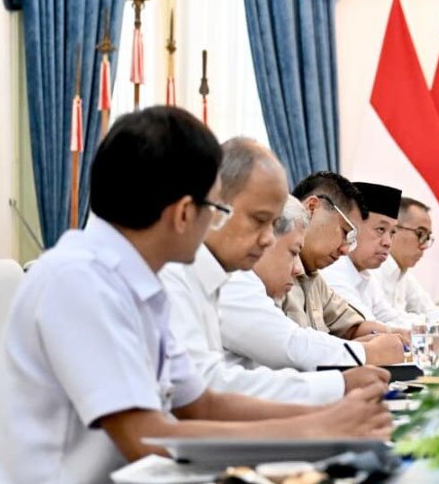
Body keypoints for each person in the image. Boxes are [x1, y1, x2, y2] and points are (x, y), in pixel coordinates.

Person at [0, 107, 391, 484]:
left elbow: (201, 404)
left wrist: (332, 415)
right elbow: (147, 439)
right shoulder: (78, 280)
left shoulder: (138, 280)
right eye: (217, 208)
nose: (218, 221)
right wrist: (313, 429)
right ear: (184, 213)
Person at [159, 139, 387, 404]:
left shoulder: (217, 273)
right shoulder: (201, 274)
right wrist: (341, 383)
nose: (268, 239)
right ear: (211, 205)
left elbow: (228, 381)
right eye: (259, 220)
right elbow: (203, 397)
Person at [219, 172, 403, 370]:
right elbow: (289, 346)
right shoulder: (232, 278)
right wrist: (366, 352)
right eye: (345, 233)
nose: (345, 249)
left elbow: (348, 328)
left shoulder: (312, 273)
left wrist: (363, 347)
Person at [322, 182, 418, 326]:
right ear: (352, 227)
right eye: (380, 229)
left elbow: (392, 318)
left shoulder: (364, 273)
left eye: (392, 233)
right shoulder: (334, 267)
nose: (388, 242)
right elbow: (366, 326)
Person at [379, 196, 439, 317]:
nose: (424, 246)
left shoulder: (402, 273)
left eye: (427, 238)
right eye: (420, 234)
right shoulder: (372, 270)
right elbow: (385, 321)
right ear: (393, 230)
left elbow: (433, 312)